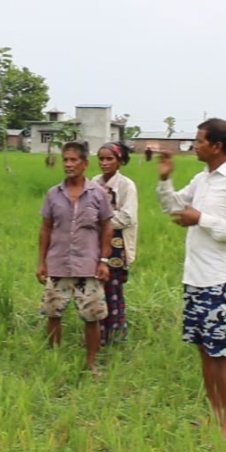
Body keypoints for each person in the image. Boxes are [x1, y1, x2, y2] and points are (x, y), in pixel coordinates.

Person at [156, 118, 226, 445]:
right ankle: (213, 416)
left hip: (219, 280)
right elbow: (173, 206)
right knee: (203, 348)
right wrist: (165, 179)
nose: (194, 145)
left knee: (221, 352)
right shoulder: (202, 179)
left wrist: (202, 219)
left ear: (217, 145)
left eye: (199, 141)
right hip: (195, 278)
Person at [36, 141, 114, 373]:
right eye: (66, 160)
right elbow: (45, 228)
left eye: (74, 160)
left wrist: (104, 261)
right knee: (53, 313)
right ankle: (55, 361)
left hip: (87, 265)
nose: (68, 164)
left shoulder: (98, 194)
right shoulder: (53, 194)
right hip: (58, 264)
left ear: (84, 163)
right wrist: (41, 262)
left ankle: (90, 364)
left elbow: (107, 228)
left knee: (92, 316)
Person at [91, 142, 138, 346]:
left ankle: (116, 336)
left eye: (109, 158)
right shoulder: (93, 182)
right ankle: (98, 334)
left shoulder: (126, 185)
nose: (104, 163)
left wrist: (102, 219)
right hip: (96, 243)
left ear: (120, 161)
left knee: (114, 288)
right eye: (101, 158)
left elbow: (127, 216)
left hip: (117, 245)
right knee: (96, 288)